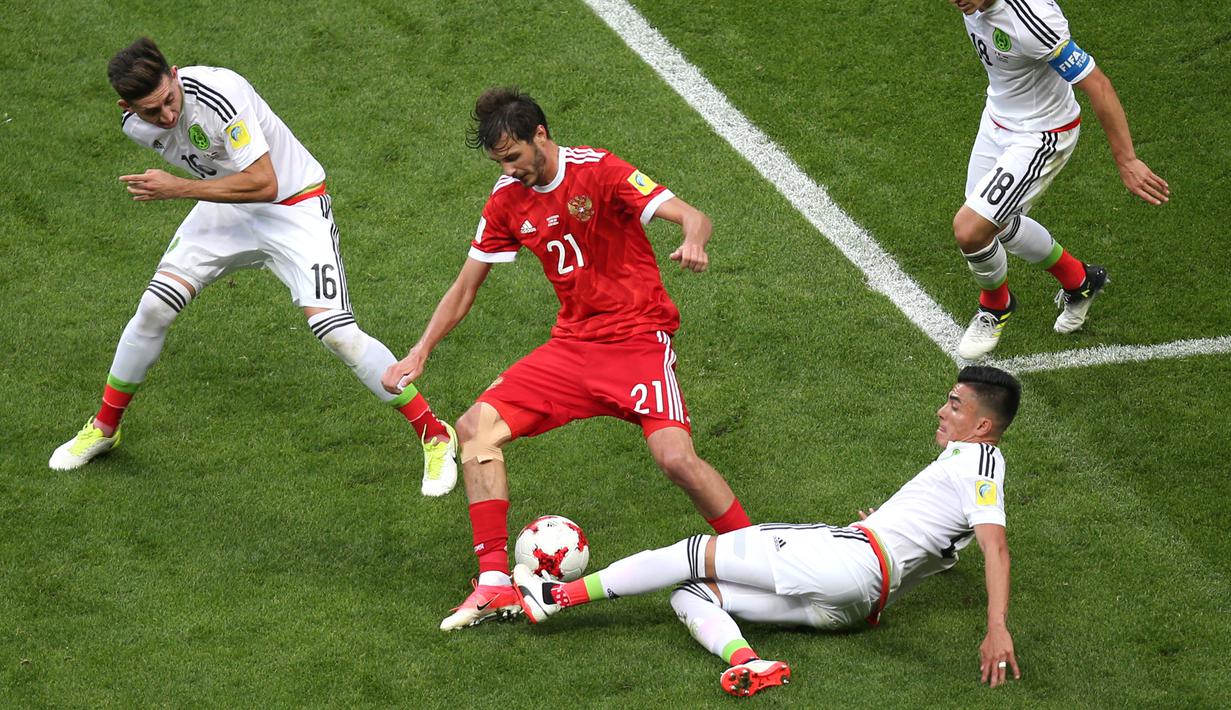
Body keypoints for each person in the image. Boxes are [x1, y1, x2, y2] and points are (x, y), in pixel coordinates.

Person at [381, 87, 752, 631]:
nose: (508, 171)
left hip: (637, 342)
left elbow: (693, 216)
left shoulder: (598, 170)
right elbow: (465, 288)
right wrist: (421, 349)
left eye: (512, 158)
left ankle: (755, 554)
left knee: (676, 459)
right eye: (498, 163)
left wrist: (694, 241)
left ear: (540, 135)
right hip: (573, 348)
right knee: (475, 429)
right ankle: (494, 585)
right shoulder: (506, 199)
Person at [49, 38, 458, 496]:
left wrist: (177, 189)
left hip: (294, 207)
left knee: (337, 333)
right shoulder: (135, 126)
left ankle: (435, 433)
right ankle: (105, 428)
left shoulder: (220, 94)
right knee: (153, 309)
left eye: (169, 100)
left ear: (177, 74)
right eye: (151, 111)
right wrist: (191, 189)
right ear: (127, 107)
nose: (165, 116)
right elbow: (221, 175)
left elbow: (266, 182)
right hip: (225, 208)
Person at [514, 365, 1023, 698]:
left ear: (983, 425)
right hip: (853, 609)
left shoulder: (978, 461)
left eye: (956, 404)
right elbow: (946, 545)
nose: (942, 409)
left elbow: (994, 546)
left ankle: (556, 595)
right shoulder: (968, 467)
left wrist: (997, 626)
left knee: (692, 553)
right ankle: (751, 663)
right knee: (691, 595)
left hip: (849, 561)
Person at [950, 0, 1169, 360]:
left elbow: (1098, 85)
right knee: (995, 223)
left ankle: (996, 306)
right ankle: (1081, 281)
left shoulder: (1033, 20)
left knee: (971, 229)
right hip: (997, 120)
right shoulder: (971, 5)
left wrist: (1127, 159)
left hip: (1042, 133)